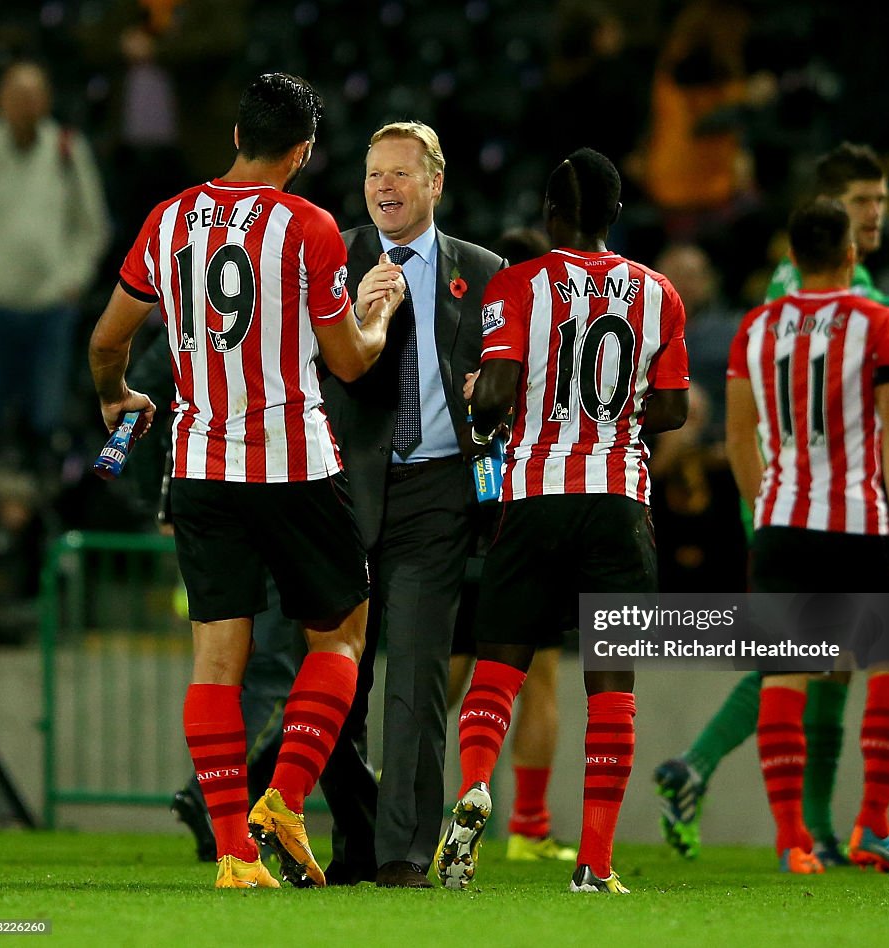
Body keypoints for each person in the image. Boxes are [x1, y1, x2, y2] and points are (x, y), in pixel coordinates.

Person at [88, 72, 405, 889]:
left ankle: (233, 854)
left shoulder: (167, 220)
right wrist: (379, 314)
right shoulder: (310, 225)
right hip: (295, 464)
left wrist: (116, 398)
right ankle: (286, 799)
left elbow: (106, 341)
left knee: (215, 665)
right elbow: (347, 361)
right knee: (338, 638)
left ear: (235, 137)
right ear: (301, 153)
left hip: (199, 467)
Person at [653, 141, 889, 865]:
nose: (877, 215)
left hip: (779, 511)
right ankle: (768, 794)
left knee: (813, 667)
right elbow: (878, 394)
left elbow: (743, 421)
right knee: (826, 663)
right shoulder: (829, 298)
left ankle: (809, 833)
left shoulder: (772, 318)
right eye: (865, 202)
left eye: (883, 202)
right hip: (828, 509)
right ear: (833, 213)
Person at [436, 148, 689, 895]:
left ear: (551, 215)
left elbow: (498, 392)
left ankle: (477, 785)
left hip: (535, 494)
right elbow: (671, 409)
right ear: (615, 216)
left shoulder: (517, 285)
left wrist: (486, 394)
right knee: (612, 690)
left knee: (500, 667)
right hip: (618, 503)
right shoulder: (659, 293)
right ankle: (595, 863)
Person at [319, 121, 505, 889]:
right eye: (372, 175)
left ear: (435, 183)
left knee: (416, 681)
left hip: (437, 490)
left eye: (399, 174)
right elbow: (312, 375)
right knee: (337, 685)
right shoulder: (332, 259)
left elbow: (510, 382)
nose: (383, 187)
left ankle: (399, 856)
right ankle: (356, 842)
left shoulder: (487, 272)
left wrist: (489, 403)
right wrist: (360, 318)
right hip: (341, 490)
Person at [726, 198, 889, 872]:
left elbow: (736, 437)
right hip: (859, 523)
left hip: (783, 525)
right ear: (850, 254)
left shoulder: (753, 327)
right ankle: (874, 822)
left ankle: (792, 841)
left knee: (786, 676)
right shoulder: (879, 323)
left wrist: (769, 507)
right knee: (887, 665)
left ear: (791, 256)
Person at [446, 225, 576, 864]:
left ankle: (406, 793)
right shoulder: (559, 340)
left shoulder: (476, 336)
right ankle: (528, 823)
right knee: (539, 676)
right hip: (531, 520)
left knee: (446, 675)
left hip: (466, 527)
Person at [0, 61, 109, 467]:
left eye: (32, 95)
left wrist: (74, 280)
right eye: (16, 95)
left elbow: (93, 225)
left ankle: (42, 507)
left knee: (47, 418)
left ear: (46, 101)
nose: (24, 104)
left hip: (50, 307)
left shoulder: (66, 149)